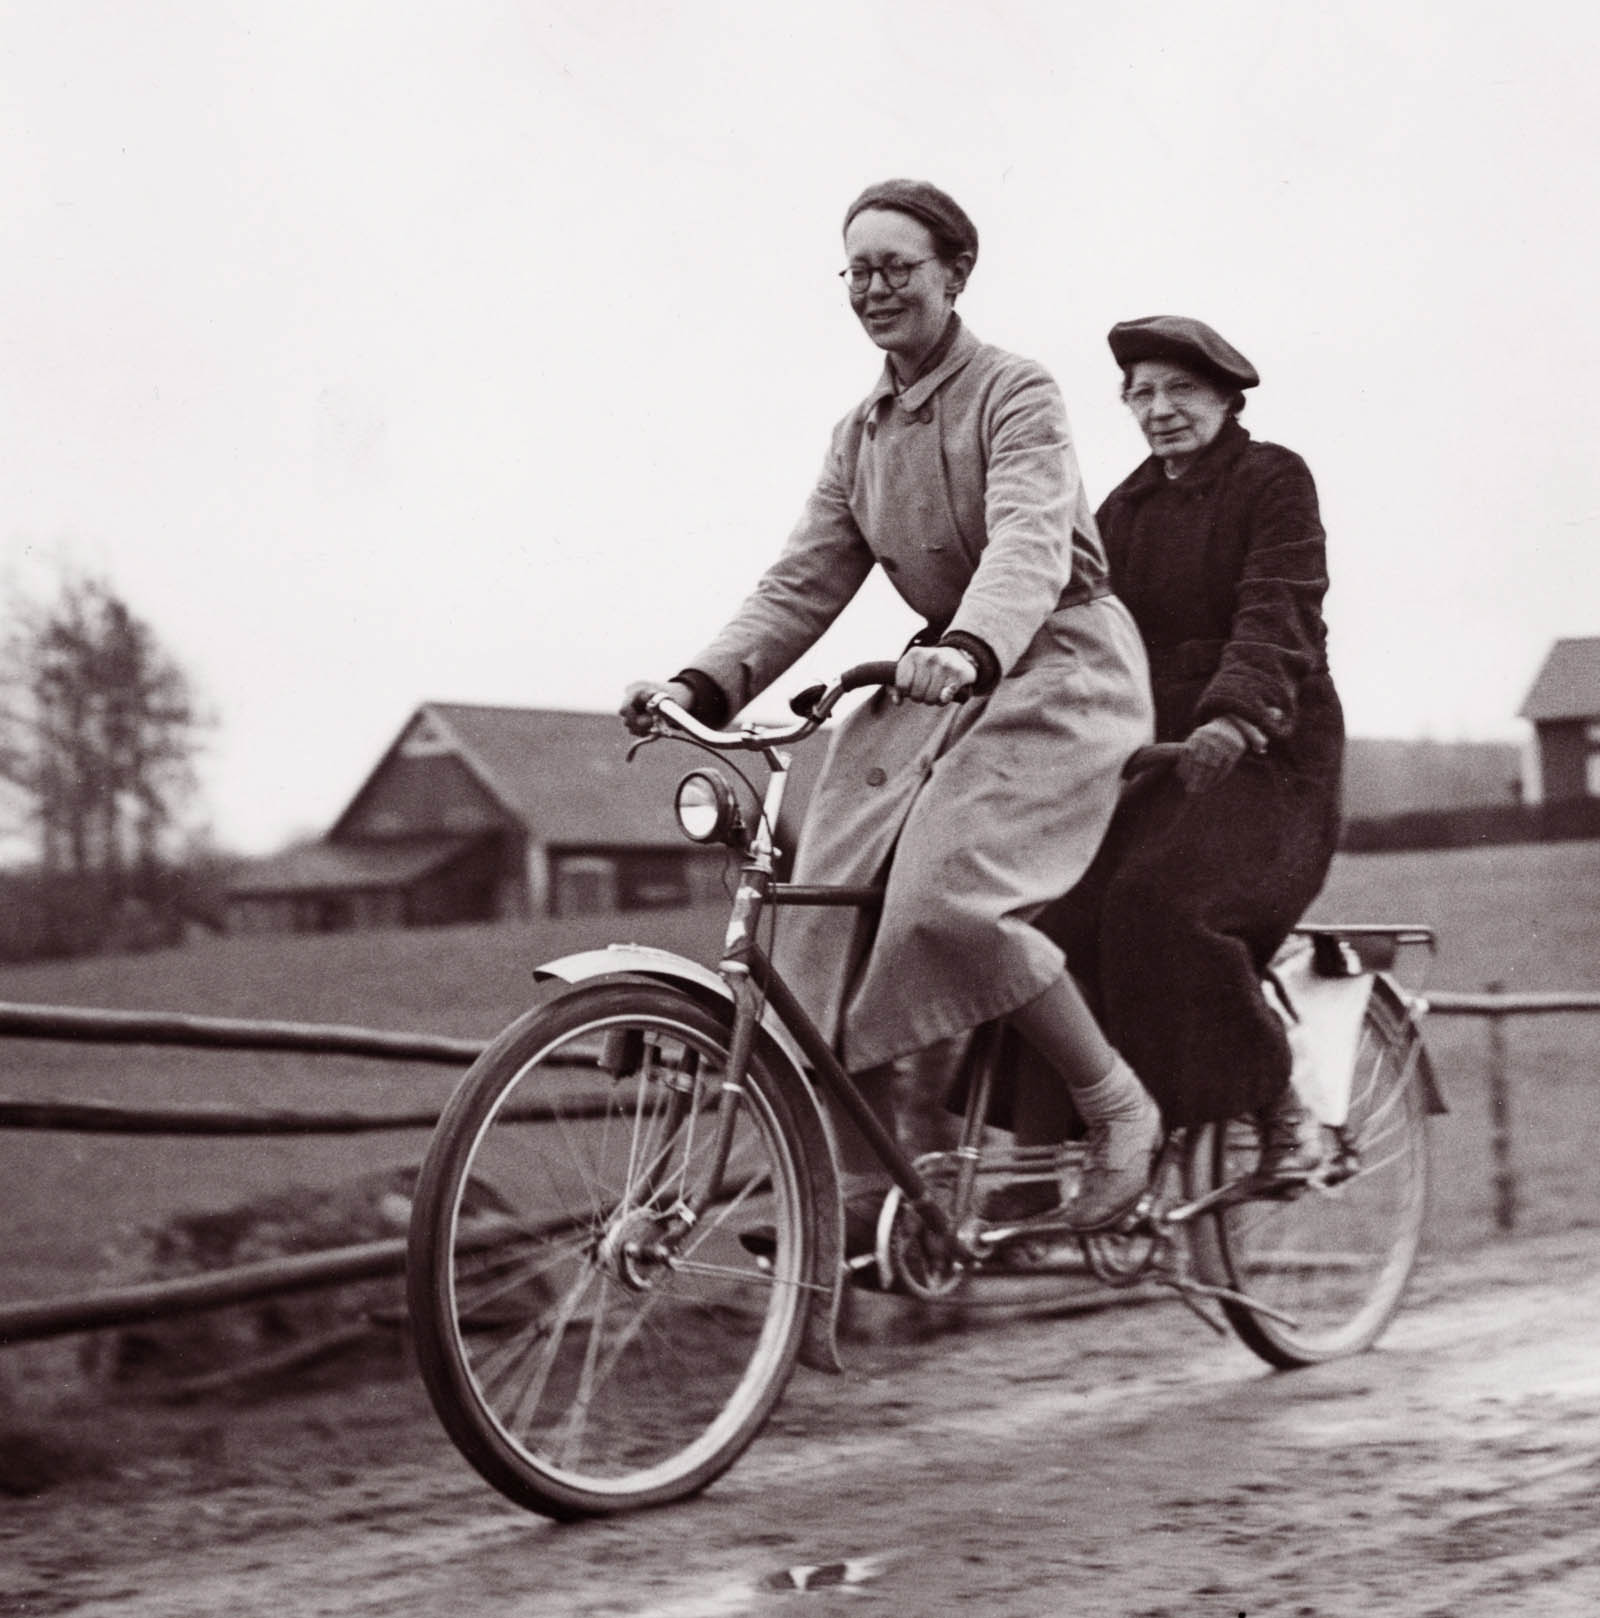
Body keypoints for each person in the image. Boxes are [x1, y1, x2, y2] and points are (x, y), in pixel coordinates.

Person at [621, 180, 1155, 1241]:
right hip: (938, 681)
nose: (874, 289)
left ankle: (1117, 1108)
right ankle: (867, 1199)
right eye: (857, 270)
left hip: (1058, 667)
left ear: (955, 274)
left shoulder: (1015, 391)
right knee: (816, 921)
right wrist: (699, 684)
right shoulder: (858, 434)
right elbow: (803, 579)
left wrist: (970, 646)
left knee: (949, 899)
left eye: (897, 267)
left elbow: (1028, 540)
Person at [1004, 315, 1344, 1199]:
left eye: (1182, 390)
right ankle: (1038, 1170)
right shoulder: (1122, 510)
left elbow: (1280, 607)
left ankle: (1281, 1113)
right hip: (1151, 756)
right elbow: (1072, 621)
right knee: (1034, 926)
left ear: (1227, 399)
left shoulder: (1272, 479)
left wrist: (1234, 715)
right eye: (1142, 394)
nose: (1160, 409)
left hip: (1266, 756)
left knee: (1162, 903)